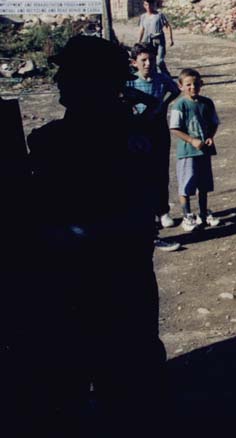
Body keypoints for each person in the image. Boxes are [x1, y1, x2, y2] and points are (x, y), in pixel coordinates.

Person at [17, 35, 167, 434]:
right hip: (117, 281)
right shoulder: (137, 131)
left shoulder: (61, 142)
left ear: (95, 82)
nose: (61, 81)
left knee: (105, 385)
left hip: (94, 282)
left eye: (71, 74)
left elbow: (136, 215)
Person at [124, 42, 182, 251]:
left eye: (151, 59)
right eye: (143, 60)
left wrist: (164, 104)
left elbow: (175, 90)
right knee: (143, 173)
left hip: (159, 129)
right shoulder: (131, 82)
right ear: (134, 63)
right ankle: (149, 217)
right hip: (140, 129)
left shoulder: (161, 78)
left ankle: (162, 210)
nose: (148, 64)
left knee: (160, 171)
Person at [168, 68, 221, 231]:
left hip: (204, 151)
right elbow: (174, 128)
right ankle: (187, 215)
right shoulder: (180, 104)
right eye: (188, 84)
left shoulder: (207, 103)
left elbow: (214, 123)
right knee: (186, 183)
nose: (193, 87)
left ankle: (204, 213)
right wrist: (191, 140)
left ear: (201, 84)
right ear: (181, 86)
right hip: (187, 152)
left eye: (196, 84)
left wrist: (210, 136)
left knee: (203, 184)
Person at [137, 0, 174, 76]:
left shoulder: (159, 15)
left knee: (159, 61)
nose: (149, 7)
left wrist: (170, 39)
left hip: (159, 39)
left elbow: (167, 26)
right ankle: (155, 75)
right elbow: (142, 29)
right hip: (148, 40)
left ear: (154, 5)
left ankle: (166, 75)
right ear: (144, 6)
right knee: (150, 59)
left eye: (150, 5)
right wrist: (139, 41)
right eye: (147, 5)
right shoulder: (143, 17)